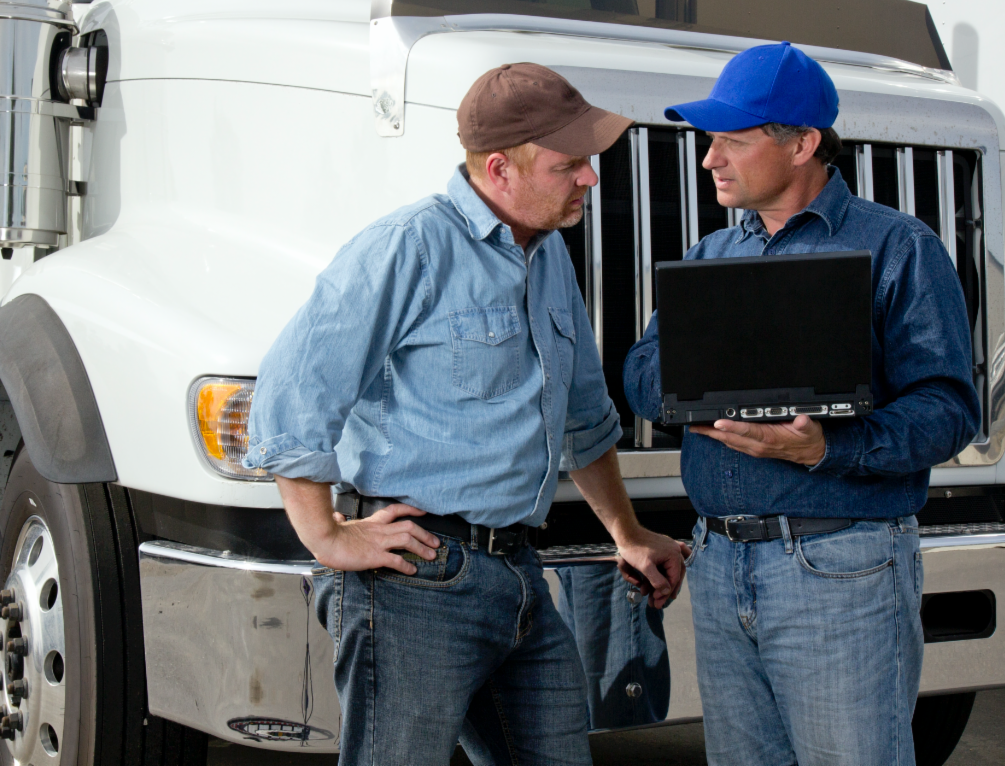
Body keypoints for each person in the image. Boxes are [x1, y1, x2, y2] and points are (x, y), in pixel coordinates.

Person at [244, 63, 690, 766]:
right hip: (416, 585)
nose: (589, 179)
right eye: (568, 164)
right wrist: (326, 535)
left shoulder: (549, 259)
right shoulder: (410, 246)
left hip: (518, 574)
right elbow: (292, 390)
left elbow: (583, 419)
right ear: (499, 169)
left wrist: (626, 532)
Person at [623, 42, 981, 766]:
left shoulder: (897, 248)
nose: (709, 160)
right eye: (709, 141)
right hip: (720, 564)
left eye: (733, 139)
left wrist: (826, 449)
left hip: (837, 563)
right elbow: (639, 375)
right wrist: (706, 386)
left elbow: (947, 409)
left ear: (803, 144)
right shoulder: (711, 257)